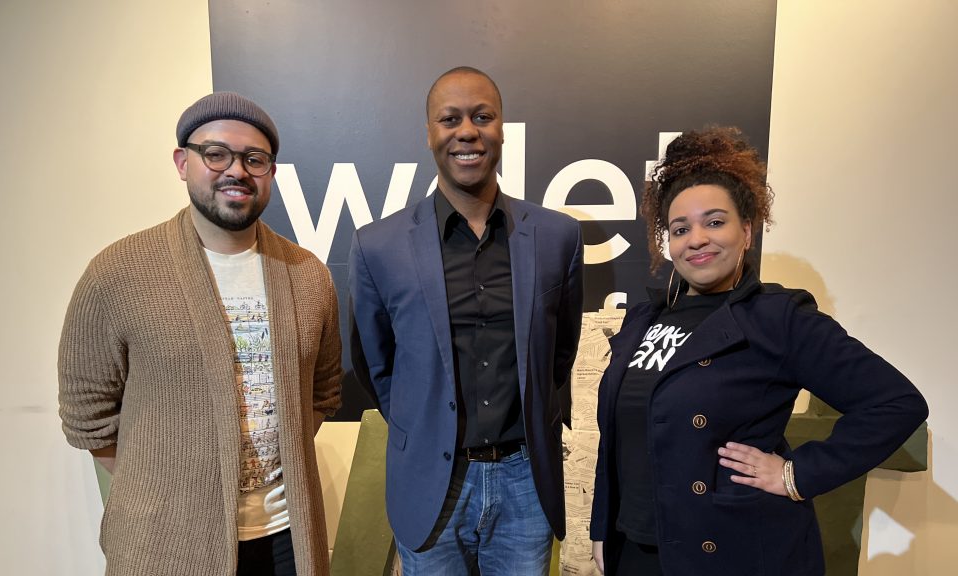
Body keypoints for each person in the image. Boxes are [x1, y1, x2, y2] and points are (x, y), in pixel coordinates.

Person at [589, 126, 928, 575]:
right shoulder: (642, 320)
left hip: (730, 550)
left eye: (715, 222)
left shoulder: (778, 318)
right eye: (680, 228)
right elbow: (617, 437)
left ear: (747, 231)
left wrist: (795, 474)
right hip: (636, 549)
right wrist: (603, 529)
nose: (697, 239)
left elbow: (896, 403)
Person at [58, 92, 342, 576]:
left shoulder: (307, 274)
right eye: (215, 153)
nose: (236, 170)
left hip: (286, 541)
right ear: (181, 162)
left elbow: (324, 390)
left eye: (254, 159)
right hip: (166, 545)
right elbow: (88, 415)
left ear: (270, 172)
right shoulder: (118, 272)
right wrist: (163, 483)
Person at [349, 66, 584, 574]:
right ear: (429, 133)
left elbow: (559, 352)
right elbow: (377, 365)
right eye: (449, 118)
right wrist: (424, 425)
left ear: (502, 127)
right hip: (432, 482)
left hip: (526, 481)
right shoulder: (378, 246)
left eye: (482, 116)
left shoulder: (557, 236)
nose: (467, 132)